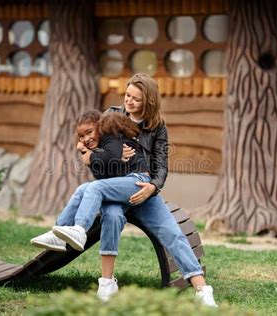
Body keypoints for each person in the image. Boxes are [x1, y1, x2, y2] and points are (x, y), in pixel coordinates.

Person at [34, 73, 218, 307]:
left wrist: (152, 187)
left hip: (141, 187)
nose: (128, 102)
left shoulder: (157, 127)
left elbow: (161, 166)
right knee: (110, 215)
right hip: (113, 187)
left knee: (173, 233)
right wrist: (92, 155)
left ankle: (202, 290)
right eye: (127, 95)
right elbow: (96, 151)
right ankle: (107, 284)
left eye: (136, 99)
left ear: (148, 102)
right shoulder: (112, 116)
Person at [31, 110, 151, 252]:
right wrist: (87, 155)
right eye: (81, 136)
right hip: (123, 183)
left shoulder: (109, 134)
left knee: (94, 187)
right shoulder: (97, 149)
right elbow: (102, 177)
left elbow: (113, 155)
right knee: (82, 189)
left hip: (138, 181)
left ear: (99, 127)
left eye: (89, 132)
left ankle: (80, 229)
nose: (86, 138)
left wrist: (91, 157)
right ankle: (58, 234)